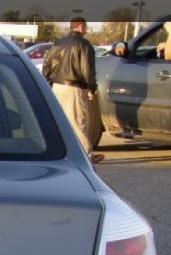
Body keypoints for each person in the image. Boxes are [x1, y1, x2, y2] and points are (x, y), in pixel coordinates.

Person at [42, 17, 104, 163]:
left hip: (56, 87)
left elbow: (47, 65)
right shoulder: (84, 45)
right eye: (86, 27)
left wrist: (47, 83)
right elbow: (87, 70)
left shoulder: (57, 43)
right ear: (81, 27)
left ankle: (57, 152)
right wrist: (91, 88)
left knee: (59, 122)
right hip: (74, 88)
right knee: (77, 123)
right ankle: (87, 155)